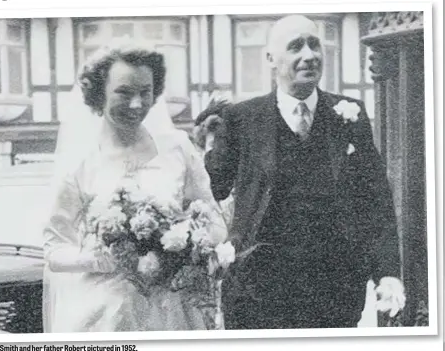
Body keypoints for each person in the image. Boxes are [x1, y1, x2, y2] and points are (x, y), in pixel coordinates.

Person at [201, 15, 405, 329]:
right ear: (271, 58)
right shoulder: (241, 118)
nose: (309, 55)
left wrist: (388, 272)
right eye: (296, 46)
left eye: (314, 45)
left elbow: (375, 200)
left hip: (334, 292)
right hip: (256, 292)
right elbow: (207, 192)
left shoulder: (350, 114)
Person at [42, 40, 227, 332]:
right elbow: (54, 251)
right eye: (124, 92)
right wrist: (104, 260)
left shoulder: (177, 147)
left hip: (173, 309)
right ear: (98, 94)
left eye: (145, 92)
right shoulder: (79, 162)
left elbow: (215, 222)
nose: (137, 104)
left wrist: (186, 243)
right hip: (106, 313)